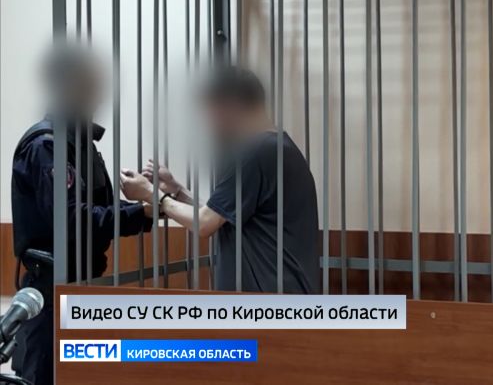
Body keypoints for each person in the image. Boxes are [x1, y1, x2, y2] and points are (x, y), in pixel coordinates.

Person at [10, 46, 154, 384]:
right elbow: (74, 220)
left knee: (80, 373)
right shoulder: (48, 145)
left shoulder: (79, 142)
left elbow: (96, 209)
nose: (97, 92)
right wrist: (143, 211)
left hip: (81, 280)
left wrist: (150, 207)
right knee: (46, 375)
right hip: (52, 287)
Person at [120, 67, 320, 294]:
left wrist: (151, 194)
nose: (209, 124)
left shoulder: (255, 153)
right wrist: (177, 190)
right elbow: (221, 214)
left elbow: (205, 223)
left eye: (210, 112)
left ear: (230, 107)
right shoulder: (278, 147)